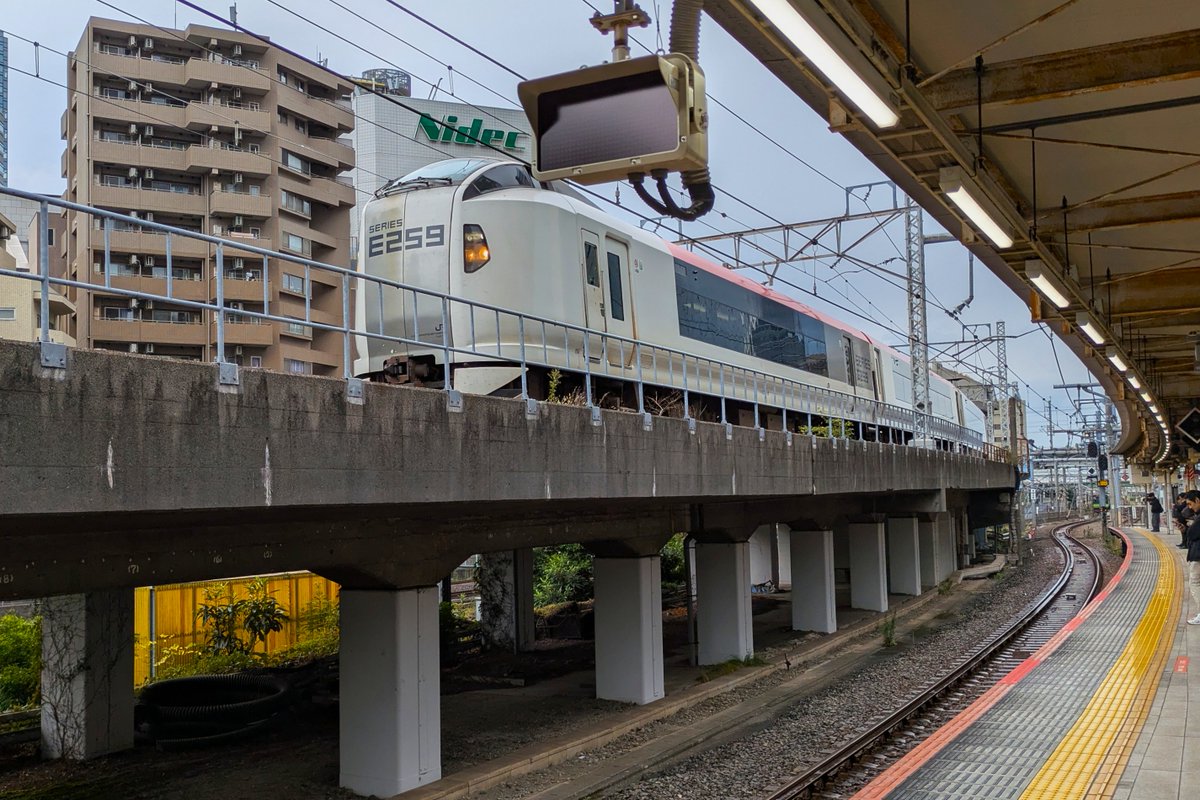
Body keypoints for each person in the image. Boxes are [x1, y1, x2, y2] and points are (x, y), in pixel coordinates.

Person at [1184, 491, 1200, 625]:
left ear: (1197, 500)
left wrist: (1189, 528)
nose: (1189, 507)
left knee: (1195, 582)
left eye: (1190, 504)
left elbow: (1192, 534)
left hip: (1198, 554)